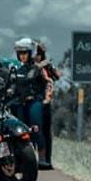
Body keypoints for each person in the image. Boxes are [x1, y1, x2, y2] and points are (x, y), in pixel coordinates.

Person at [9, 38, 51, 168]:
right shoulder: (17, 70)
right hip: (20, 104)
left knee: (36, 129)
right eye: (20, 53)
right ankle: (23, 159)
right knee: (21, 132)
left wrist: (45, 98)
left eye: (25, 52)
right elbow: (13, 88)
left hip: (35, 102)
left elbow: (48, 82)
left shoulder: (38, 69)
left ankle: (43, 159)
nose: (22, 55)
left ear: (30, 53)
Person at [35, 41, 61, 169]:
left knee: (45, 132)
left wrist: (49, 67)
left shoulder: (47, 66)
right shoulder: (28, 67)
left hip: (45, 103)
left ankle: (46, 160)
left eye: (39, 54)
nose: (37, 56)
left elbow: (57, 76)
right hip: (33, 102)